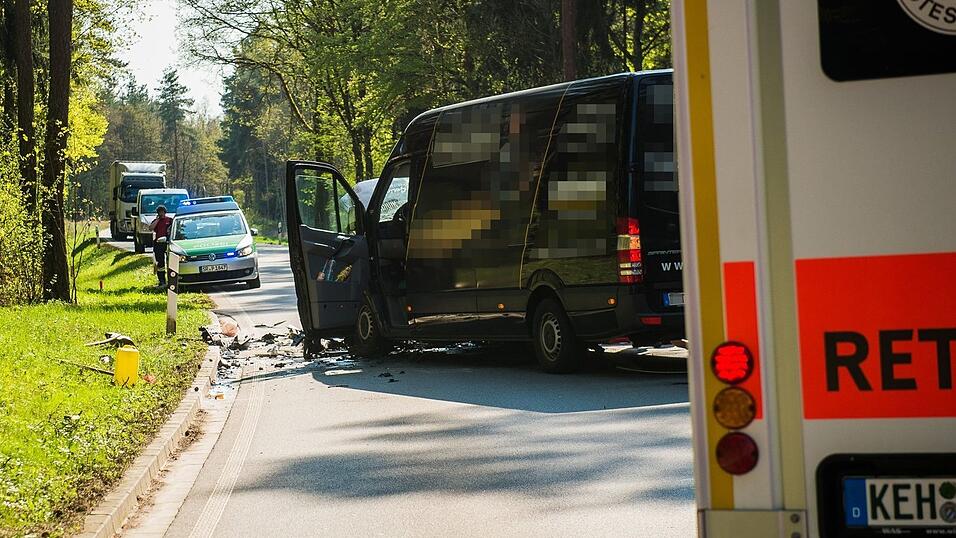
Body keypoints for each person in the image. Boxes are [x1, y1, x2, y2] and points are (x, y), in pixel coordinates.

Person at [149, 205, 173, 287]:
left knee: (171, 262)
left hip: (167, 243)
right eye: (159, 212)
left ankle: (172, 279)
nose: (161, 213)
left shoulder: (170, 220)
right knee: (160, 263)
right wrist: (157, 220)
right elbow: (150, 228)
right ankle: (162, 280)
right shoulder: (156, 221)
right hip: (158, 244)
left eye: (162, 212)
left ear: (165, 212)